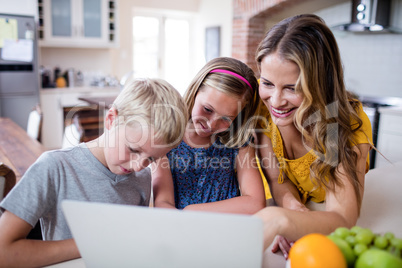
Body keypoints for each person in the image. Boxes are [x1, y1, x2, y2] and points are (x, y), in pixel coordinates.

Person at [0, 78, 188, 267]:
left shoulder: (142, 177)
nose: (139, 166)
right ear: (111, 120)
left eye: (152, 159)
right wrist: (91, 244)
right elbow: (4, 253)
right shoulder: (54, 167)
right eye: (133, 149)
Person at [254, 14, 373, 257]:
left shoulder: (342, 124)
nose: (275, 101)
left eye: (292, 88)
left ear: (321, 84)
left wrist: (280, 220)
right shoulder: (258, 105)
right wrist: (293, 208)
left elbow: (342, 218)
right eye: (267, 83)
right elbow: (278, 177)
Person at [153, 57, 266, 214]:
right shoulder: (167, 135)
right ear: (196, 90)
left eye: (226, 119)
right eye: (207, 109)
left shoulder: (239, 143)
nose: (212, 124)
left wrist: (190, 211)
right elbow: (163, 203)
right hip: (181, 229)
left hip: (225, 230)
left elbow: (255, 203)